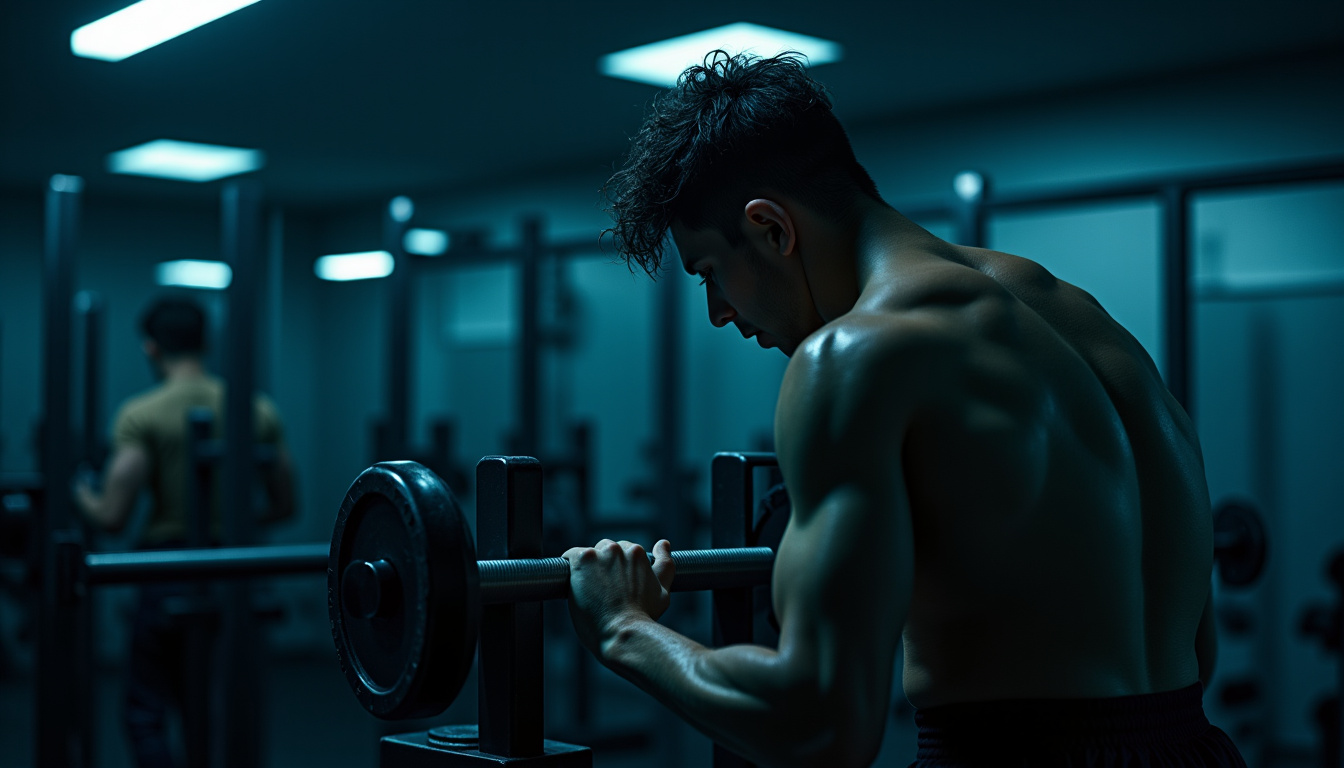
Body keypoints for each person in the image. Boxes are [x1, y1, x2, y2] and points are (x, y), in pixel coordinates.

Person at [561, 52, 1245, 767]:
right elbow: (1198, 649)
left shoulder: (848, 360)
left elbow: (819, 725)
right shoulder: (1093, 327)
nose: (718, 312)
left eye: (709, 272)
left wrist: (622, 628)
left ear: (771, 228)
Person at [74, 296, 295, 768]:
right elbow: (284, 504)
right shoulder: (255, 410)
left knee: (146, 711)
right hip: (236, 571)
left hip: (167, 568)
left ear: (150, 348)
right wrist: (229, 526)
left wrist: (76, 491)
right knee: (214, 704)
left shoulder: (142, 414)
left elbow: (112, 515)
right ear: (206, 342)